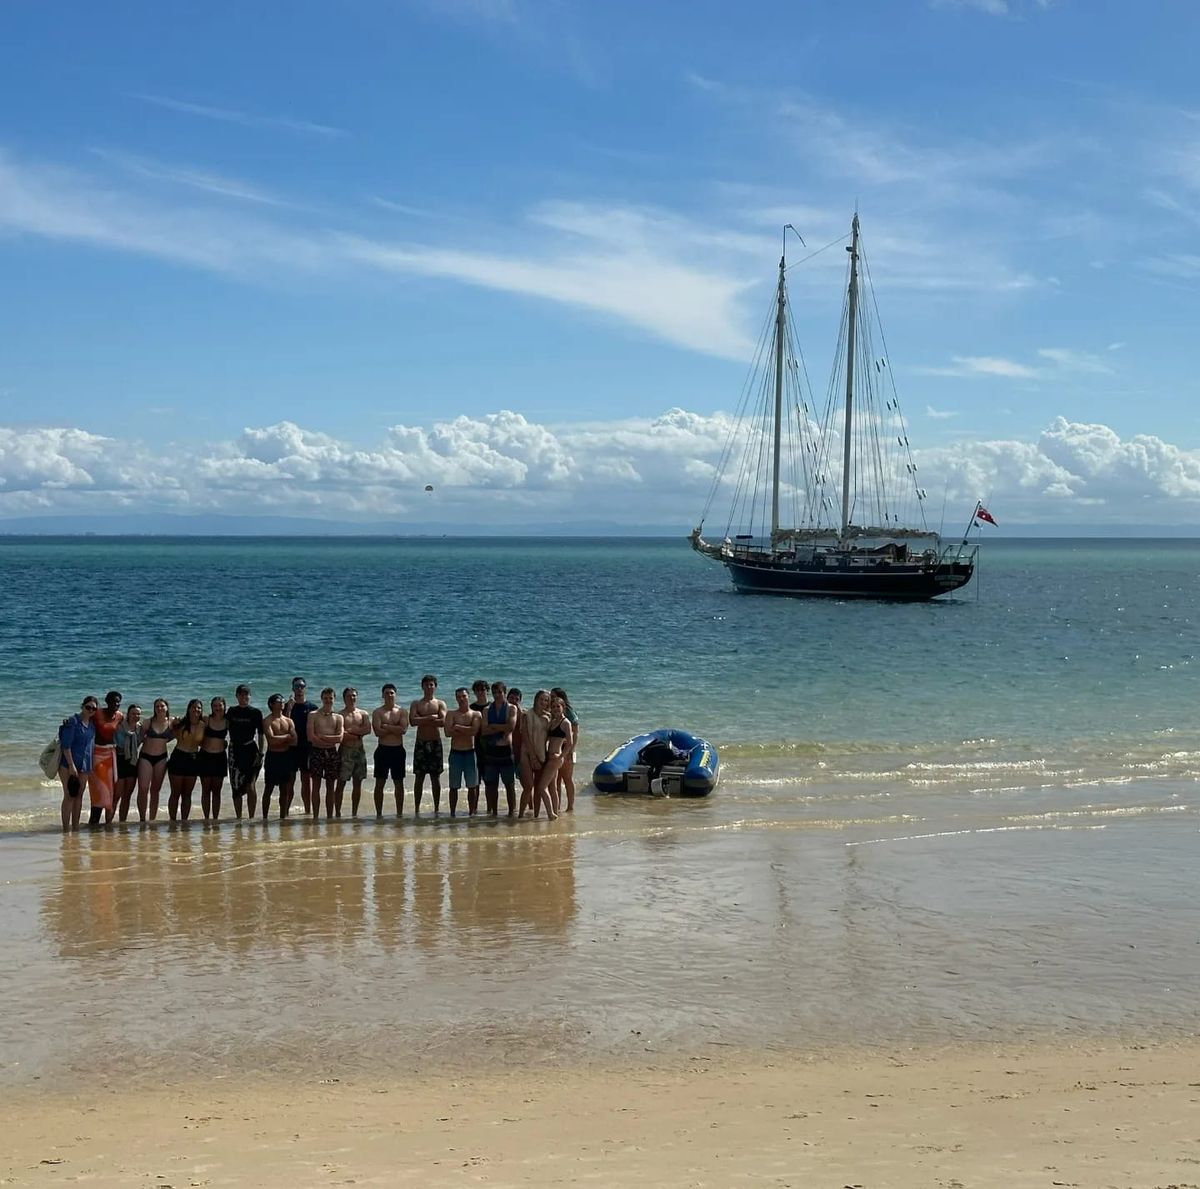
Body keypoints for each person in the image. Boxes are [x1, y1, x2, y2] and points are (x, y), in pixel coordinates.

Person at [57, 696, 98, 832]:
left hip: (85, 766)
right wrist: (71, 765)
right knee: (69, 795)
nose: (91, 710)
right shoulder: (73, 722)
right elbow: (66, 746)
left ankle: (75, 828)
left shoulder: (92, 725)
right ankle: (65, 829)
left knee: (79, 795)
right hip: (68, 764)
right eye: (88, 707)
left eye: (93, 708)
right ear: (82, 706)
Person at [226, 684, 265, 820]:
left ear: (249, 696)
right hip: (234, 750)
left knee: (250, 785)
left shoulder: (255, 713)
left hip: (251, 750)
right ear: (236, 696)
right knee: (235, 787)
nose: (243, 697)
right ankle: (239, 818)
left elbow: (261, 734)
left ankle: (251, 818)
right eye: (241, 694)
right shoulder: (231, 711)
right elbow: (222, 728)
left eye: (246, 694)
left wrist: (261, 753)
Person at [370, 683, 409, 819]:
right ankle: (379, 814)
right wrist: (394, 728)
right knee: (379, 783)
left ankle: (399, 813)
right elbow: (378, 732)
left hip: (398, 750)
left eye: (392, 693)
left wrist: (386, 726)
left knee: (399, 783)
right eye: (386, 693)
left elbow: (403, 730)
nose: (389, 695)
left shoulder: (402, 711)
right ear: (382, 695)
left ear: (395, 695)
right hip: (382, 750)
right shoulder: (377, 712)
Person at [409, 675, 446, 814]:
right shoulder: (416, 703)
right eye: (426, 685)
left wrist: (421, 719)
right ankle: (417, 809)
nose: (429, 687)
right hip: (421, 743)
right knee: (419, 777)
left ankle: (436, 808)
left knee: (435, 777)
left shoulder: (440, 703)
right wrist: (430, 718)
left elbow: (442, 722)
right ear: (422, 687)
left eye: (431, 685)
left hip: (435, 743)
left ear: (435, 686)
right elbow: (412, 721)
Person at [333, 687, 371, 818]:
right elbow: (340, 734)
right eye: (349, 696)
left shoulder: (363, 713)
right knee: (341, 783)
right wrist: (355, 733)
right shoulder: (340, 715)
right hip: (345, 751)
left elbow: (367, 729)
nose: (352, 698)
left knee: (358, 783)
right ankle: (337, 812)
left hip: (359, 751)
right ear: (344, 698)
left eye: (354, 696)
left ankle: (354, 813)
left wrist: (352, 732)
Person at [532, 693, 571, 821]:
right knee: (552, 787)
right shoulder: (553, 721)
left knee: (541, 787)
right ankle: (555, 811)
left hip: (555, 758)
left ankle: (550, 813)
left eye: (558, 707)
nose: (555, 709)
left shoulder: (566, 723)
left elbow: (570, 743)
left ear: (563, 707)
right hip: (550, 756)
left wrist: (561, 756)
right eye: (553, 707)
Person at [481, 680, 517, 816]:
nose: (497, 695)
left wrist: (494, 726)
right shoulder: (486, 710)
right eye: (494, 693)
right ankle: (494, 813)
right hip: (491, 750)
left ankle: (511, 812)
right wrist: (502, 728)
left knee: (509, 784)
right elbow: (484, 731)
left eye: (500, 692)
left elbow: (511, 727)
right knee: (491, 785)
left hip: (506, 751)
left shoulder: (511, 708)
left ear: (505, 693)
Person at [307, 686, 344, 819]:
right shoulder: (313, 715)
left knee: (330, 786)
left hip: (332, 753)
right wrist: (328, 740)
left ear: (334, 699)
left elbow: (339, 738)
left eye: (330, 698)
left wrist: (323, 737)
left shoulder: (339, 717)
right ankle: (315, 816)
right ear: (321, 699)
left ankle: (329, 816)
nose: (328, 700)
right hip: (316, 752)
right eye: (325, 698)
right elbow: (311, 737)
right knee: (315, 785)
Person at [444, 687, 482, 817]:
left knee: (472, 786)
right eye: (458, 696)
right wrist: (467, 729)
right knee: (453, 786)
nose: (461, 699)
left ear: (468, 697)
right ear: (456, 698)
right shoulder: (451, 714)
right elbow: (448, 733)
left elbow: (474, 731)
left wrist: (458, 727)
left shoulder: (476, 714)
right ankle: (452, 813)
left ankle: (471, 812)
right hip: (455, 753)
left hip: (470, 753)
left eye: (463, 696)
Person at [168, 699, 205, 821]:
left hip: (194, 759)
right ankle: (172, 821)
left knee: (187, 794)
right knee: (175, 793)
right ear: (189, 709)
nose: (196, 710)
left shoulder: (203, 725)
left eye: (199, 708)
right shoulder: (181, 723)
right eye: (193, 707)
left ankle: (184, 821)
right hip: (179, 757)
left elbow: (204, 743)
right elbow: (168, 732)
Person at [89, 689, 123, 826]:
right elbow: (83, 719)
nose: (116, 704)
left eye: (118, 702)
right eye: (114, 701)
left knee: (110, 792)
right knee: (99, 791)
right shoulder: (97, 714)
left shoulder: (120, 716)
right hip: (97, 755)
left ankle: (105, 824)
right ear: (107, 702)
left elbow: (130, 726)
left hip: (111, 756)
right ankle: (94, 821)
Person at [262, 694, 298, 819]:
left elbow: (294, 741)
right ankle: (265, 818)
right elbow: (271, 741)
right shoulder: (267, 721)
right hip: (273, 757)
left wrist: (282, 739)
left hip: (286, 756)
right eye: (279, 701)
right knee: (269, 788)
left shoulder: (289, 721)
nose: (282, 703)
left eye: (283, 701)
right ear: (271, 704)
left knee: (285, 789)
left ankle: (283, 817)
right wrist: (287, 737)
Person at [137, 698, 173, 821]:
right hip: (146, 757)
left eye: (162, 706)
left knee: (155, 790)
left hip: (161, 758)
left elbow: (176, 735)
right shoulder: (147, 722)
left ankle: (152, 819)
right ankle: (142, 819)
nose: (159, 708)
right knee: (143, 788)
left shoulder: (172, 722)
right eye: (157, 706)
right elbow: (139, 740)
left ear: (167, 707)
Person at [286, 677, 317, 815]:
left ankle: (308, 812)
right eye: (296, 686)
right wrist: (288, 709)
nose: (299, 689)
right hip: (291, 749)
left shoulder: (312, 708)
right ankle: (285, 812)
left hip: (307, 748)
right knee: (289, 782)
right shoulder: (286, 706)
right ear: (292, 688)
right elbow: (283, 725)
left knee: (306, 781)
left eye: (301, 686)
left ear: (305, 688)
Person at [520, 690, 551, 819]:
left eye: (546, 700)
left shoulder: (548, 717)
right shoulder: (527, 714)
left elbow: (551, 736)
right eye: (541, 699)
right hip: (527, 753)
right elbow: (525, 736)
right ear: (536, 700)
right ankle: (520, 815)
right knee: (528, 786)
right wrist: (532, 756)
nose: (543, 702)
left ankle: (536, 816)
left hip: (542, 754)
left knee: (539, 788)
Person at [199, 696, 229, 823]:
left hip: (220, 757)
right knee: (206, 790)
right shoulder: (206, 720)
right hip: (205, 757)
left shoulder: (228, 721)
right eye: (215, 706)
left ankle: (215, 819)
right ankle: (206, 818)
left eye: (220, 705)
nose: (217, 708)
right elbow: (192, 728)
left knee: (217, 791)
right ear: (211, 707)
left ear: (224, 706)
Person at [112, 703, 143, 823]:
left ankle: (122, 822)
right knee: (117, 795)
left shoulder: (140, 728)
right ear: (128, 714)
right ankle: (109, 822)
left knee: (127, 796)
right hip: (120, 761)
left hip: (133, 762)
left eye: (138, 714)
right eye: (133, 713)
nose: (136, 716)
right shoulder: (119, 726)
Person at [551, 686, 579, 813]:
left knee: (567, 778)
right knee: (556, 779)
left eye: (553, 696)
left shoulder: (569, 712)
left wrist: (571, 751)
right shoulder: (552, 712)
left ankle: (570, 806)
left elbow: (576, 733)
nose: (552, 699)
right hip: (557, 749)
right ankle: (557, 806)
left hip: (568, 749)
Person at [469, 679, 490, 793]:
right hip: (475, 747)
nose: (480, 692)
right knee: (475, 782)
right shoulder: (471, 708)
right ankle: (474, 809)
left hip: (490, 747)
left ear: (487, 691)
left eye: (483, 689)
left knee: (489, 781)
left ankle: (490, 810)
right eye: (477, 690)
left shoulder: (492, 706)